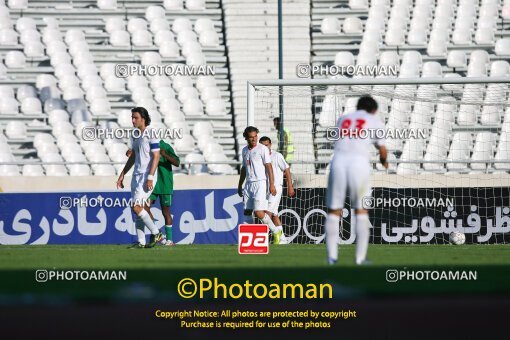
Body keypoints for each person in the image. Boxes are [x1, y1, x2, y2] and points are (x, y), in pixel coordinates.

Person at [325, 96, 388, 265]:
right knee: (361, 211)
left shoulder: (343, 119)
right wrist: (384, 161)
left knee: (333, 211)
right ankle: (360, 259)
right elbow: (382, 149)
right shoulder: (374, 121)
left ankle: (331, 258)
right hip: (358, 165)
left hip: (337, 163)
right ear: (373, 110)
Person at [116, 107, 163, 248]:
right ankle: (141, 242)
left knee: (136, 207)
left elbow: (156, 155)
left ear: (143, 118)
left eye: (135, 117)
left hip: (146, 177)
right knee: (137, 208)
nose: (133, 120)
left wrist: (150, 177)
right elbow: (134, 156)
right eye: (132, 117)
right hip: (136, 176)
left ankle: (156, 233)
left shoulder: (151, 133)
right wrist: (123, 174)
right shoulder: (135, 134)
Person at [237, 126, 280, 239]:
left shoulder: (262, 149)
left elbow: (269, 167)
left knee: (259, 213)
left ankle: (276, 231)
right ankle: (250, 238)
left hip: (260, 183)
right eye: (251, 137)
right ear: (246, 138)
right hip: (248, 184)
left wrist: (271, 184)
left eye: (255, 136)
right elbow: (243, 169)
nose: (254, 139)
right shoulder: (244, 150)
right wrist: (240, 184)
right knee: (247, 212)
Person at [259, 136, 295, 244]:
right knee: (274, 214)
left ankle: (263, 239)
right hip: (266, 188)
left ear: (270, 145)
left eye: (267, 145)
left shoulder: (277, 156)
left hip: (276, 188)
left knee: (267, 212)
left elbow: (287, 169)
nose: (265, 147)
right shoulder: (260, 156)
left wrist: (290, 186)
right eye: (262, 145)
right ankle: (282, 239)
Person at [149, 140, 180, 246]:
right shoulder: (147, 145)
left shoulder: (165, 146)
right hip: (151, 183)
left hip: (165, 184)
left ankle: (169, 240)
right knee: (144, 207)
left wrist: (165, 154)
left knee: (165, 212)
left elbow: (177, 162)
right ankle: (158, 235)